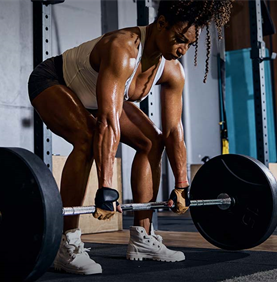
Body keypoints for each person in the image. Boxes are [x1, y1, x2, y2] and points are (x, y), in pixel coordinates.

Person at [27, 0, 233, 275]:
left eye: (189, 45)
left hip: (95, 97)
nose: (182, 49)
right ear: (161, 24)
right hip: (54, 81)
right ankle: (66, 244)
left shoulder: (173, 71)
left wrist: (183, 184)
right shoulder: (123, 49)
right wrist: (106, 187)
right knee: (87, 140)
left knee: (152, 141)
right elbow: (108, 121)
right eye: (179, 39)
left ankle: (142, 237)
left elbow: (173, 131)